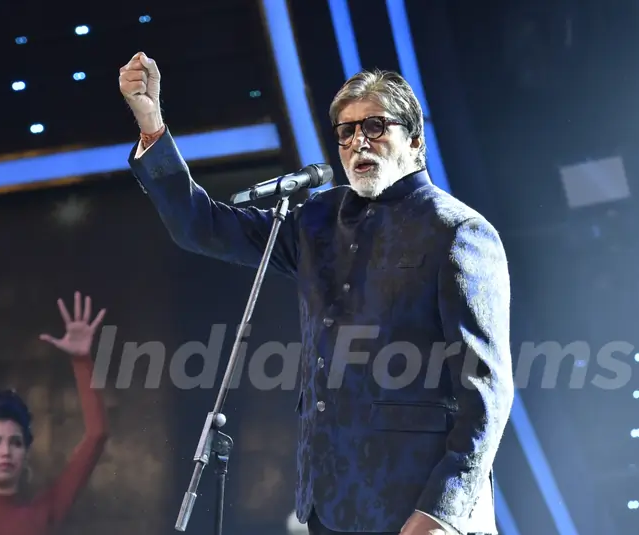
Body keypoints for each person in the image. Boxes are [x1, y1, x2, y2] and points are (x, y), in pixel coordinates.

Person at [120, 52, 513, 535]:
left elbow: (487, 393)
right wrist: (152, 127)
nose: (357, 141)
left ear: (414, 140)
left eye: (374, 126)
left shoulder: (457, 232)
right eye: (346, 131)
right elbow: (202, 227)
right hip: (330, 502)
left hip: (418, 506)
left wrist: (443, 511)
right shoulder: (317, 221)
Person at [0, 292, 109, 535]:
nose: (6, 451)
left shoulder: (43, 513)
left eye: (16, 442)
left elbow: (97, 434)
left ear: (26, 453)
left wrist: (82, 359)